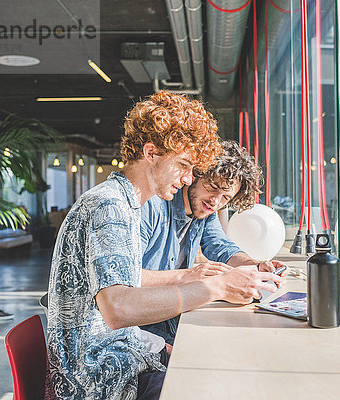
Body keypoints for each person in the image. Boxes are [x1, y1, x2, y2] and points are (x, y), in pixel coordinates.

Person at [45, 92, 282, 400]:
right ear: (151, 152)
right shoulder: (109, 206)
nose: (187, 179)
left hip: (122, 357)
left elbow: (218, 245)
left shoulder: (125, 204)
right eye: (183, 165)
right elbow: (119, 309)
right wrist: (217, 287)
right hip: (98, 379)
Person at [139, 140, 286, 344]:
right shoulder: (153, 205)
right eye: (213, 187)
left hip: (173, 320)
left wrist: (255, 265)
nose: (215, 201)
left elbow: (220, 246)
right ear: (196, 174)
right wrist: (188, 276)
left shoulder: (206, 213)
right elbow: (127, 278)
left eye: (225, 197)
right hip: (142, 327)